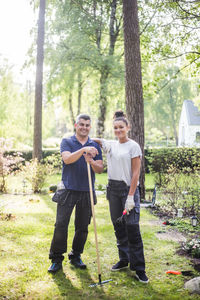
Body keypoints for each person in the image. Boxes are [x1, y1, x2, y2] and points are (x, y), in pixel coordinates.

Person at [93, 110, 149, 283]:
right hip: (113, 191)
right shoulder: (110, 144)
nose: (118, 130)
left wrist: (131, 197)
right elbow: (94, 140)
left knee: (132, 226)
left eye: (121, 127)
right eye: (116, 127)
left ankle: (139, 268)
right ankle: (124, 259)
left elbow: (135, 174)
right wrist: (84, 142)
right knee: (118, 226)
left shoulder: (133, 146)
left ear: (128, 127)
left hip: (128, 190)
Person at [48, 114, 103, 273]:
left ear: (90, 127)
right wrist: (83, 150)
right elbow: (67, 159)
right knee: (61, 225)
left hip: (87, 191)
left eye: (87, 125)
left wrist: (91, 161)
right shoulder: (67, 141)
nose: (84, 127)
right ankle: (57, 259)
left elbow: (99, 169)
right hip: (68, 189)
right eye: (81, 124)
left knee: (82, 227)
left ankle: (76, 255)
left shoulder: (95, 146)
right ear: (75, 125)